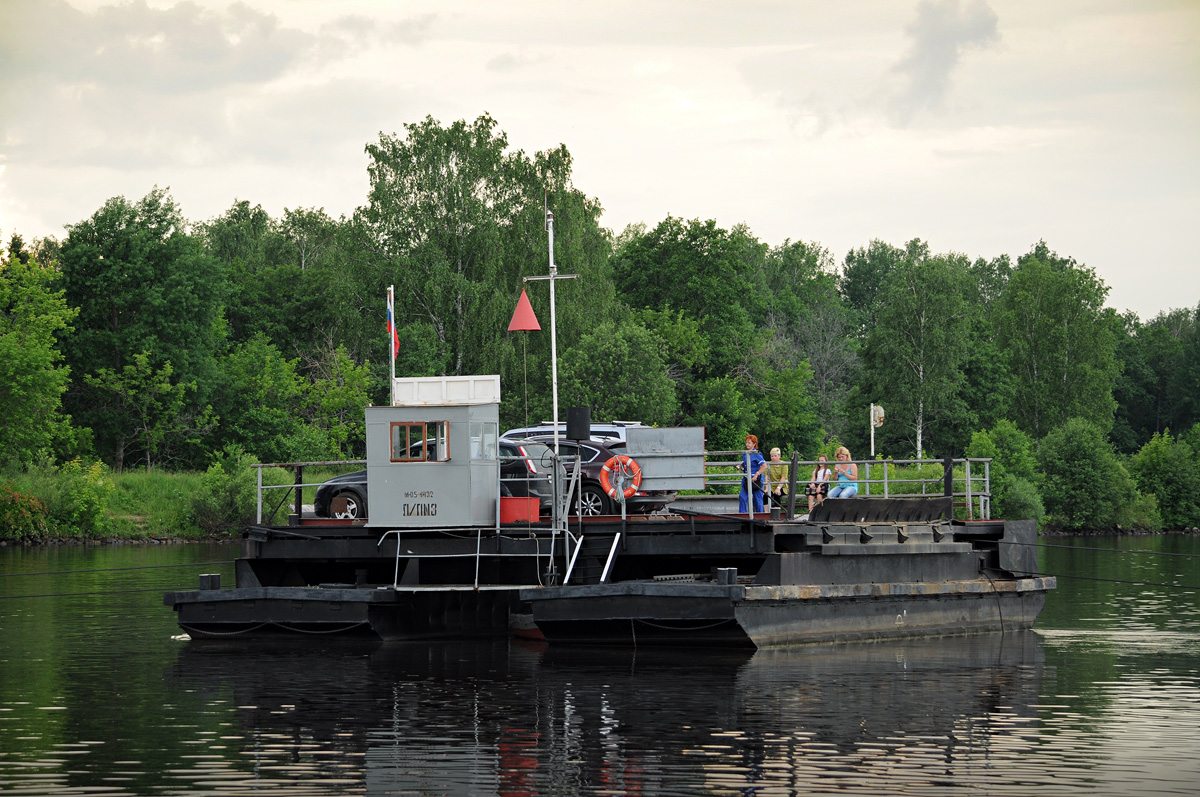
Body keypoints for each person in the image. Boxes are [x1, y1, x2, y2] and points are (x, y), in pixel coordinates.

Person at [738, 434, 768, 514]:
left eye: (749, 443)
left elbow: (764, 466)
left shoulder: (757, 454)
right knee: (742, 496)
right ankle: (743, 514)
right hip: (747, 479)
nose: (747, 444)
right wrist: (741, 467)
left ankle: (760, 515)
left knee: (758, 499)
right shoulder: (745, 454)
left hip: (756, 480)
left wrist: (756, 474)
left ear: (754, 444)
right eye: (747, 442)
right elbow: (745, 466)